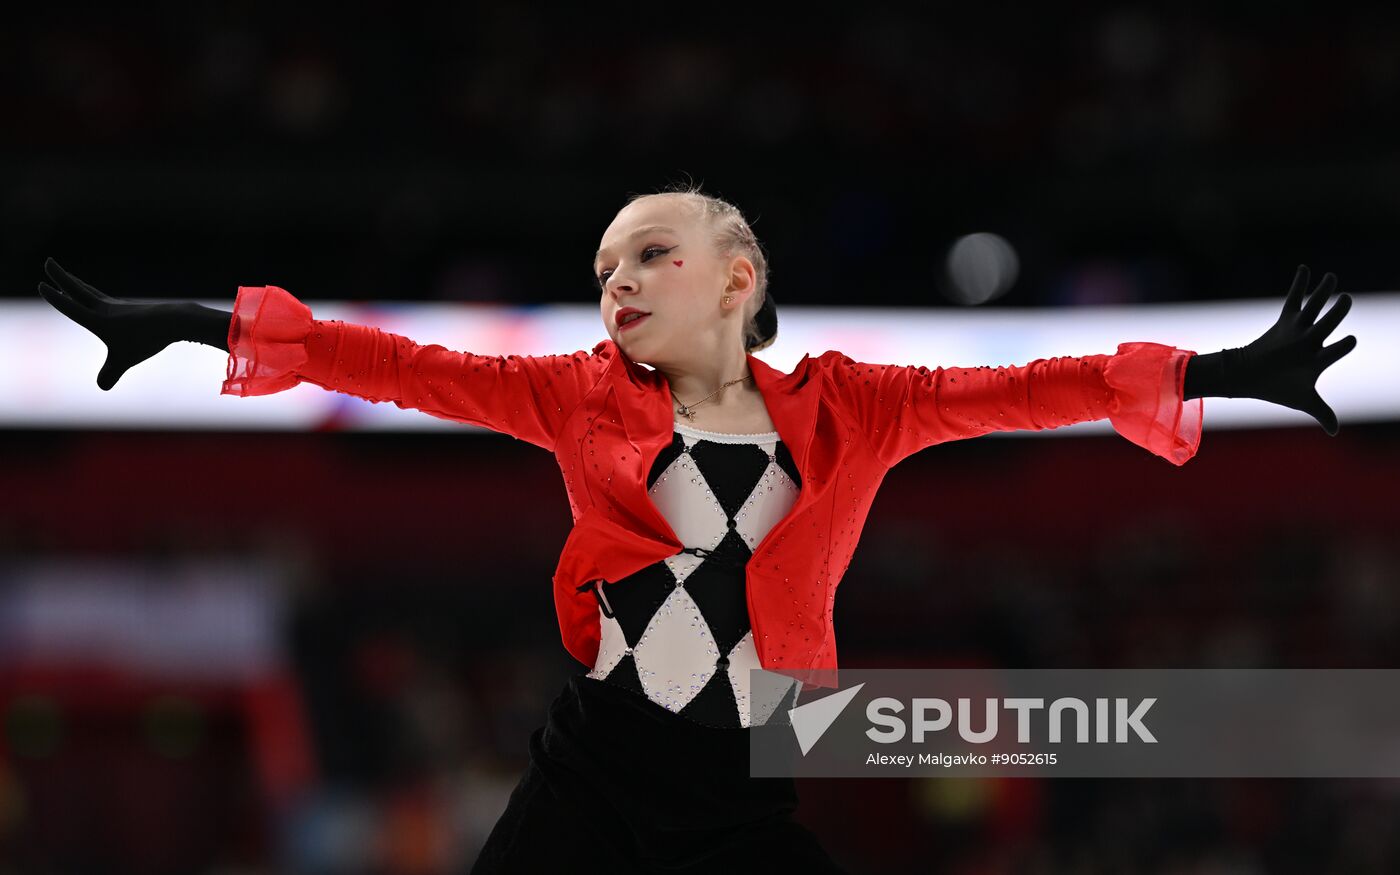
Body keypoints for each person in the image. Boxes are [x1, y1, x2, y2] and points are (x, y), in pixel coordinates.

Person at [37, 184, 1356, 873]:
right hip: (600, 756)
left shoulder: (854, 409)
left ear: (735, 282)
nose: (616, 285)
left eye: (647, 260)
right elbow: (382, 364)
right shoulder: (571, 395)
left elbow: (1033, 389)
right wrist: (196, 322)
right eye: (607, 269)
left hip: (740, 773)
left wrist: (1216, 372)